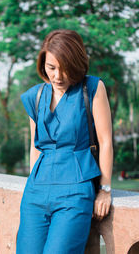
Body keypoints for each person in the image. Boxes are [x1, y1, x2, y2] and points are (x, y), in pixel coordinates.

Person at [16, 29, 113, 254]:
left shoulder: (92, 88)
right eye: (51, 68)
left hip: (75, 190)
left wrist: (105, 190)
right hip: (36, 191)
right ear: (43, 64)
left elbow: (106, 141)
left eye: (65, 69)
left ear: (77, 64)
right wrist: (34, 181)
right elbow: (35, 146)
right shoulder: (36, 96)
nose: (58, 76)